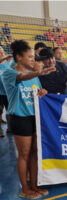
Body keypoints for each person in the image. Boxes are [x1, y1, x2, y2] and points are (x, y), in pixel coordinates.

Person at [2, 40, 56, 199]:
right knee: (24, 154)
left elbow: (37, 91)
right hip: (19, 118)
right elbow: (22, 77)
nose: (34, 60)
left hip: (34, 117)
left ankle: (34, 184)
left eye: (34, 57)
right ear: (19, 57)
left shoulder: (34, 76)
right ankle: (24, 188)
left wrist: (43, 91)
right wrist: (39, 72)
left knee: (34, 152)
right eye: (30, 57)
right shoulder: (9, 73)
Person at [0, 47, 12, 137]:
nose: (1, 53)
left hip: (8, 92)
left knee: (9, 110)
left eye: (2, 51)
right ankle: (0, 130)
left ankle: (9, 127)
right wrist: (5, 57)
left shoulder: (8, 63)